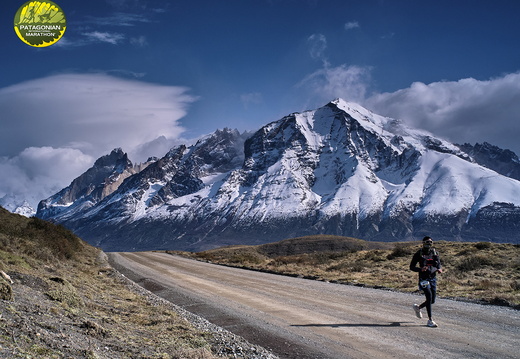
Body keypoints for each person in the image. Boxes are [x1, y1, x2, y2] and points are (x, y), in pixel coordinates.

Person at [409, 236, 443, 327]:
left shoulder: (434, 253)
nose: (429, 244)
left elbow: (438, 263)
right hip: (424, 278)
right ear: (423, 243)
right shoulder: (418, 253)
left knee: (432, 300)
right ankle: (430, 320)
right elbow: (411, 267)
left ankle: (418, 308)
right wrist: (420, 269)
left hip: (433, 278)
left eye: (431, 242)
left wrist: (439, 269)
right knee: (429, 296)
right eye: (427, 242)